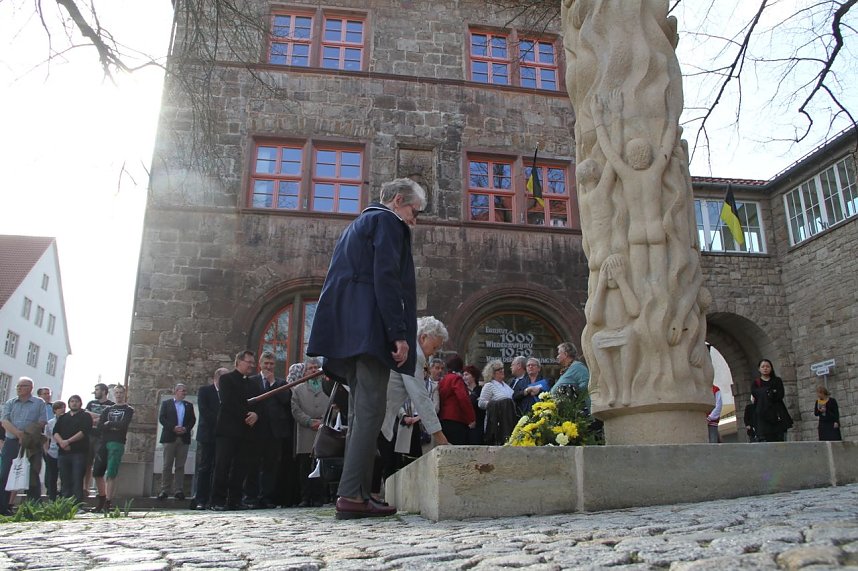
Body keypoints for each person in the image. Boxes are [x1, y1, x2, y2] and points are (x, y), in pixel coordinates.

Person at [307, 177, 425, 520]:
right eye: (415, 211)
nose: (414, 220)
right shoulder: (387, 222)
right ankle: (352, 496)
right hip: (370, 331)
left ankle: (354, 492)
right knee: (370, 410)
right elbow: (387, 278)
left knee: (362, 412)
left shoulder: (357, 225)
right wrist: (398, 333)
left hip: (349, 333)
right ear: (398, 200)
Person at [382, 316, 449, 452]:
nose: (434, 352)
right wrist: (440, 437)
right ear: (423, 338)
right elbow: (420, 397)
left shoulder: (407, 343)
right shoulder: (414, 354)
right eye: (434, 347)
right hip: (377, 411)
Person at [210, 351, 261, 511]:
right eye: (248, 362)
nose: (251, 365)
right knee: (222, 465)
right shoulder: (226, 379)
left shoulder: (253, 384)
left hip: (245, 432)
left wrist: (256, 415)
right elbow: (228, 402)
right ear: (238, 361)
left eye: (253, 363)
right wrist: (247, 414)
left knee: (240, 467)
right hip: (227, 430)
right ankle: (217, 500)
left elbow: (259, 404)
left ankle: (235, 500)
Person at [245, 351, 292, 509]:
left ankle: (266, 497)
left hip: (274, 432)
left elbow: (285, 400)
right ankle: (250, 497)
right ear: (260, 364)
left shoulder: (281, 383)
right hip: (256, 430)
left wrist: (272, 383)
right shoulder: (251, 381)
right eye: (266, 363)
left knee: (270, 466)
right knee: (252, 464)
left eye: (271, 364)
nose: (269, 366)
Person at [0, 377, 48, 515]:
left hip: (31, 443)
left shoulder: (39, 403)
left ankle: (33, 508)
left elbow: (42, 421)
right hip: (11, 442)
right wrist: (18, 433)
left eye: (23, 386)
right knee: (5, 474)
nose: (19, 388)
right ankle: (2, 507)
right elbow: (4, 421)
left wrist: (27, 435)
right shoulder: (11, 402)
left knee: (32, 474)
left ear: (30, 388)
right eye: (18, 386)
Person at [290, 358, 329, 508]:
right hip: (305, 430)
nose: (313, 370)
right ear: (305, 372)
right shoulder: (298, 389)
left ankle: (319, 497)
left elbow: (333, 406)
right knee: (305, 466)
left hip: (322, 430)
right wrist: (308, 421)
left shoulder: (327, 387)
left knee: (320, 465)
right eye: (310, 368)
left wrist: (322, 421)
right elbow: (295, 409)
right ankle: (305, 497)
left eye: (315, 368)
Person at [191, 367, 226, 510]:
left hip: (223, 436)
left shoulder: (228, 393)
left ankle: (216, 499)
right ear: (217, 378)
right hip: (208, 435)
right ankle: (201, 499)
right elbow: (204, 411)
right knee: (205, 467)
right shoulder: (205, 391)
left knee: (220, 467)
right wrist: (222, 422)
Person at [97, 385, 134, 513]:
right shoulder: (108, 409)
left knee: (111, 472)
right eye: (116, 392)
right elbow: (100, 426)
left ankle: (108, 501)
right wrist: (112, 426)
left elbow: (123, 425)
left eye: (121, 392)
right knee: (97, 471)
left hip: (117, 442)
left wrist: (109, 424)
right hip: (104, 442)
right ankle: (101, 498)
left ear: (124, 394)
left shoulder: (128, 409)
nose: (118, 395)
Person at [158, 384, 196, 500]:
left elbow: (192, 420)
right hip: (170, 437)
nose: (184, 393)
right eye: (182, 391)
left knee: (180, 465)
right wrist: (173, 427)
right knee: (167, 465)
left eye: (185, 391)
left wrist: (185, 429)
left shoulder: (188, 405)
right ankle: (165, 490)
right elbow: (162, 418)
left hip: (183, 438)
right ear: (176, 391)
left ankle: (178, 490)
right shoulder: (167, 404)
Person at [52, 395, 90, 505]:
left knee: (77, 479)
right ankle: (65, 504)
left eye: (76, 401)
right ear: (69, 404)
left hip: (78, 453)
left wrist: (68, 441)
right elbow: (55, 432)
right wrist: (62, 442)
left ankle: (77, 505)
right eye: (72, 401)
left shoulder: (85, 416)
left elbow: (83, 432)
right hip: (63, 453)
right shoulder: (63, 417)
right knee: (64, 479)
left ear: (80, 403)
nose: (74, 403)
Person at [84, 383, 114, 504]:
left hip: (102, 437)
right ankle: (85, 489)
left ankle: (100, 491)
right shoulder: (91, 403)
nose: (95, 392)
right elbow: (86, 416)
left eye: (97, 390)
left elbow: (109, 418)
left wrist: (96, 418)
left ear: (104, 391)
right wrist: (101, 417)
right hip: (89, 436)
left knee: (100, 465)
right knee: (87, 464)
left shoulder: (111, 405)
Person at [749, 359, 791, 443]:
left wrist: (766, 393)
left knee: (780, 439)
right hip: (763, 415)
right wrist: (769, 392)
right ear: (759, 369)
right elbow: (755, 395)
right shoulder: (756, 383)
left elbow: (780, 395)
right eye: (763, 366)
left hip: (777, 414)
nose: (765, 368)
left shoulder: (777, 380)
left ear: (771, 368)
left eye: (767, 366)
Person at [437, 354, 475, 445]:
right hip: (456, 419)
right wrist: (471, 418)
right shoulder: (456, 379)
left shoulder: (443, 379)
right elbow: (463, 398)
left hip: (443, 419)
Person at [479, 360, 517, 445]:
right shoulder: (489, 386)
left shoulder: (506, 386)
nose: (501, 371)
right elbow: (481, 403)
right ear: (492, 373)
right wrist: (497, 405)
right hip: (495, 421)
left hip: (509, 420)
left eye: (502, 368)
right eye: (498, 369)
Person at [550, 342, 590, 410]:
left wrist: (571, 393)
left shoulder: (578, 367)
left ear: (565, 354)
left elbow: (586, 383)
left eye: (559, 353)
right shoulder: (567, 369)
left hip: (577, 411)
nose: (557, 356)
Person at [43, 400, 66, 501]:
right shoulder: (50, 423)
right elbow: (46, 437)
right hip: (52, 451)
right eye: (59, 408)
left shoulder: (67, 421)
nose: (62, 410)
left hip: (64, 451)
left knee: (64, 475)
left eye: (63, 407)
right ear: (55, 410)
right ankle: (52, 496)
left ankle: (62, 495)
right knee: (52, 475)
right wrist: (46, 449)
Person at [463, 365, 485, 445]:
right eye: (463, 375)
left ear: (474, 376)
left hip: (478, 425)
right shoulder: (463, 390)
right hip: (465, 426)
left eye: (466, 374)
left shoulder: (481, 390)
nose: (464, 377)